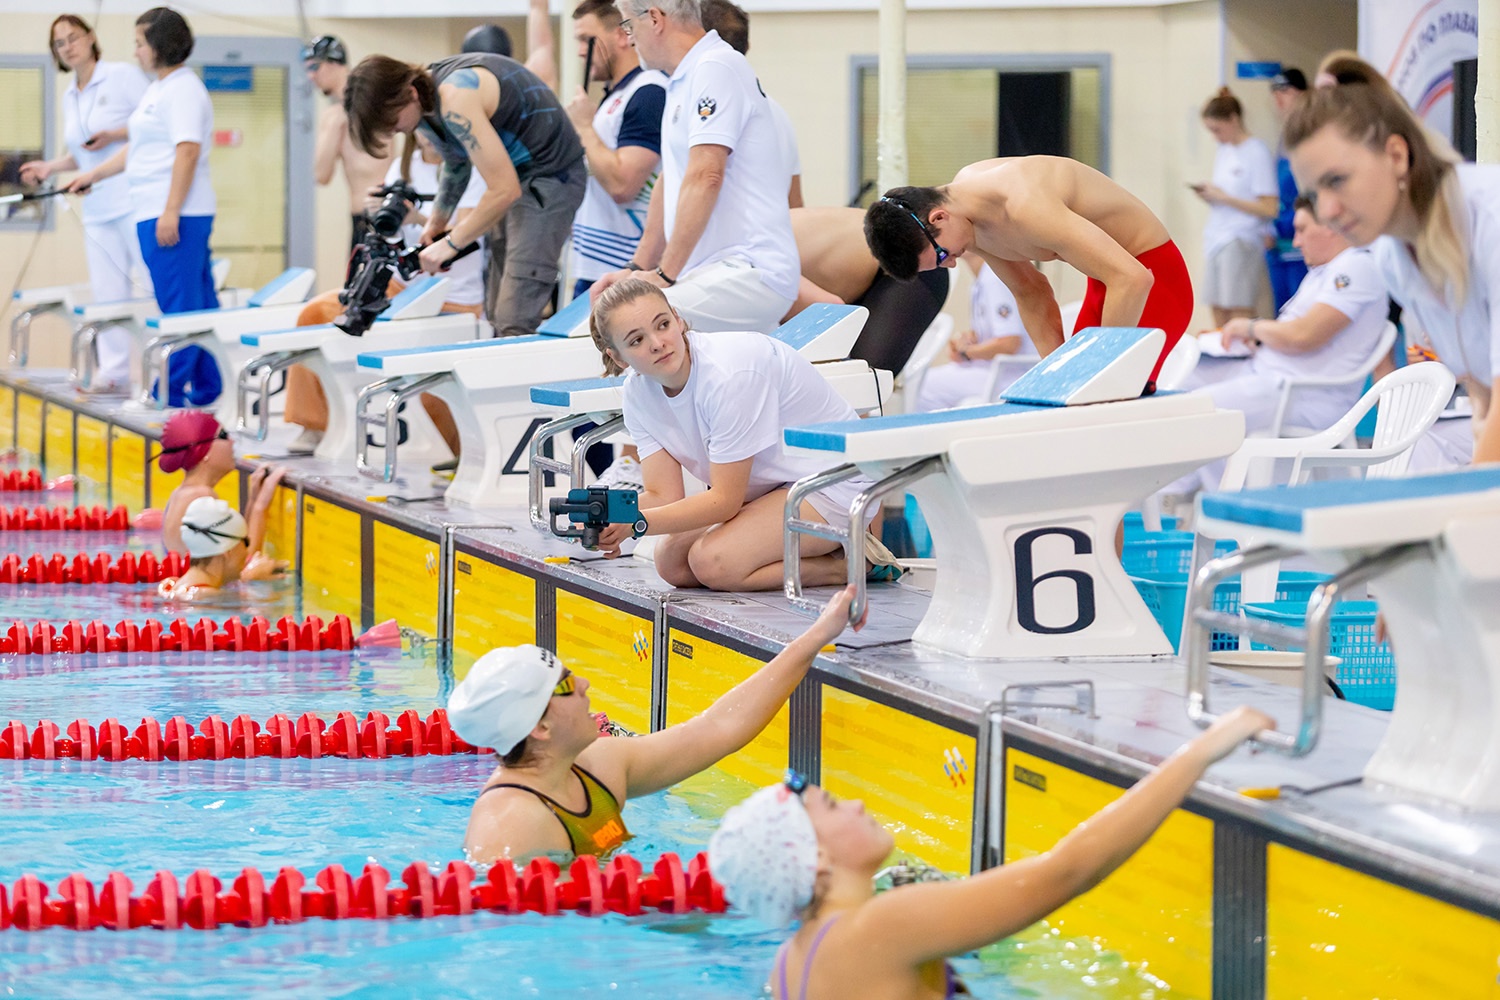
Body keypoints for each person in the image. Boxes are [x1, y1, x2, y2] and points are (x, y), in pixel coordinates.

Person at [707, 705, 1273, 1000]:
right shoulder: (881, 924)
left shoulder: (794, 963)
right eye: (834, 806)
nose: (856, 804)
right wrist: (1200, 753)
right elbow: (1068, 871)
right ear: (817, 861)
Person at [449, 585, 861, 864]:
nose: (586, 685)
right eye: (568, 685)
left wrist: (818, 634)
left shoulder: (598, 766)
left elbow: (717, 729)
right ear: (539, 727)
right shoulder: (510, 827)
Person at [587, 278, 901, 591]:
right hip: (772, 488)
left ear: (677, 318)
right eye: (636, 340)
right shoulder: (638, 393)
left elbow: (724, 501)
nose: (657, 342)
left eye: (663, 324)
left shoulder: (729, 374)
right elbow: (663, 495)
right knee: (671, 563)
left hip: (831, 483)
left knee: (714, 563)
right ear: (617, 357)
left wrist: (636, 523)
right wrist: (612, 515)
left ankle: (854, 565)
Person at [1285, 50, 1500, 464]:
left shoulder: (1490, 219)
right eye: (1314, 193)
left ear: (1397, 155)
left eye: (1337, 181)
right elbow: (1482, 385)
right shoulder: (1393, 258)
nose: (1326, 211)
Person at [863, 157, 1193, 392]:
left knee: (1108, 398)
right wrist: (1057, 378)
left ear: (938, 218)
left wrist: (1097, 378)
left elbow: (1133, 278)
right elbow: (1031, 292)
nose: (951, 264)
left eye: (942, 255)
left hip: (1154, 279)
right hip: (1108, 281)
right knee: (1074, 398)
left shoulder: (1022, 205)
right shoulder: (968, 220)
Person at [590, 0, 800, 336]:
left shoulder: (716, 66)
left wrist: (663, 276)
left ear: (655, 18)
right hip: (709, 271)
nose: (629, 39)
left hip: (748, 271)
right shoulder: (680, 79)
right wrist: (638, 268)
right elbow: (670, 179)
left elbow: (706, 176)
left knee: (626, 323)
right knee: (624, 315)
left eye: (629, 26)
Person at [280, 132, 489, 463]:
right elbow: (386, 229)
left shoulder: (473, 170)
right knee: (314, 314)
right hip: (399, 287)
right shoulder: (402, 167)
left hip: (452, 297)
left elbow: (467, 233)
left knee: (433, 383)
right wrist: (377, 212)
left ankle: (459, 451)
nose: (426, 133)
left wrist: (418, 219)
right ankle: (313, 424)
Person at [344, 50, 585, 337]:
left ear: (408, 93)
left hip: (551, 176)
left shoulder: (455, 97)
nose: (394, 130)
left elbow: (504, 190)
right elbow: (456, 164)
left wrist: (451, 244)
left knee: (513, 316)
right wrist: (436, 223)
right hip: (517, 177)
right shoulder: (424, 108)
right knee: (495, 309)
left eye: (391, 120)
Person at [1165, 194, 1392, 495]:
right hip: (1269, 375)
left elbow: (1304, 336)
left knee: (1201, 411)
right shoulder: (1323, 273)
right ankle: (1165, 498)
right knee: (1171, 386)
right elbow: (1292, 334)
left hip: (1305, 393)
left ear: (1330, 226)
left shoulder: (1356, 269)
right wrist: (1254, 338)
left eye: (1302, 230)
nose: (1296, 242)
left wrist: (1251, 327)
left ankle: (1226, 509)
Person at [64, 6, 221, 407]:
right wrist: (92, 176)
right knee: (198, 305)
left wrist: (171, 211)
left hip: (175, 214)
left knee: (179, 308)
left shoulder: (184, 89)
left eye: (139, 44)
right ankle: (207, 389)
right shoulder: (159, 90)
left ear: (160, 46)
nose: (135, 52)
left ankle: (165, 393)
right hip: (158, 209)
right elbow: (140, 149)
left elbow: (187, 152)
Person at [20, 14, 150, 390]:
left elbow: (152, 125)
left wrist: (114, 133)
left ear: (91, 37)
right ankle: (115, 374)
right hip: (97, 207)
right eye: (59, 43)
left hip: (134, 199)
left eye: (73, 37)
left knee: (147, 288)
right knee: (109, 293)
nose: (68, 46)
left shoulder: (122, 76)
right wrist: (50, 166)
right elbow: (83, 153)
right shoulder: (70, 95)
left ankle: (158, 373)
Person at [563, 0, 667, 300]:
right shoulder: (618, 97)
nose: (581, 51)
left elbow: (623, 185)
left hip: (623, 272)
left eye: (586, 39)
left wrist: (584, 128)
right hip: (595, 266)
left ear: (622, 35)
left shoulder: (649, 92)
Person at [788, 206, 950, 374]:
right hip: (856, 271)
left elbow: (829, 308)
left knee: (864, 381)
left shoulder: (764, 266)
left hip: (905, 263)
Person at [697, 0, 803, 209]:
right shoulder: (775, 111)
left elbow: (706, 179)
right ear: (748, 46)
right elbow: (795, 205)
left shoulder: (710, 109)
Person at [1194, 88, 1279, 329]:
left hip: (1240, 238)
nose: (1216, 137)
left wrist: (1225, 197)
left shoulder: (1256, 152)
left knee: (1237, 308)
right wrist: (1211, 196)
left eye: (1217, 130)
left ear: (1234, 119)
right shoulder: (1225, 151)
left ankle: (1240, 360)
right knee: (1217, 305)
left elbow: (1269, 207)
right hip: (1216, 237)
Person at [155, 409, 287, 563]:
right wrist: (261, 507)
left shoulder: (182, 493)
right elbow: (241, 566)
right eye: (224, 435)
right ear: (203, 451)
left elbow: (235, 549)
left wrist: (253, 499)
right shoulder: (201, 497)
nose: (232, 441)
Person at [305, 35, 394, 256]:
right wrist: (335, 125)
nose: (311, 76)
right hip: (358, 221)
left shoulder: (373, 104)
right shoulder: (333, 116)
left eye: (315, 67)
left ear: (335, 63)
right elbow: (320, 176)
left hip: (384, 217)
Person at [915, 259, 1035, 412]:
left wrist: (967, 353)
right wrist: (965, 344)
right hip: (991, 369)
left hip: (1009, 374)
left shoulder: (994, 279)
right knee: (926, 381)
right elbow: (990, 335)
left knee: (923, 385)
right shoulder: (981, 280)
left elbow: (1009, 343)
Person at [158, 496, 285, 602]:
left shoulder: (169, 585)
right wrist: (256, 585)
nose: (247, 552)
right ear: (228, 551)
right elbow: (260, 620)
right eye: (245, 542)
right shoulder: (205, 597)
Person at [1266, 69, 1310, 309]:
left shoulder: (1310, 132)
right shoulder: (1285, 133)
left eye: (1285, 91)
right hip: (1279, 237)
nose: (1278, 98)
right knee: (1282, 310)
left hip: (1300, 237)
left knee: (1300, 307)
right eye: (1274, 93)